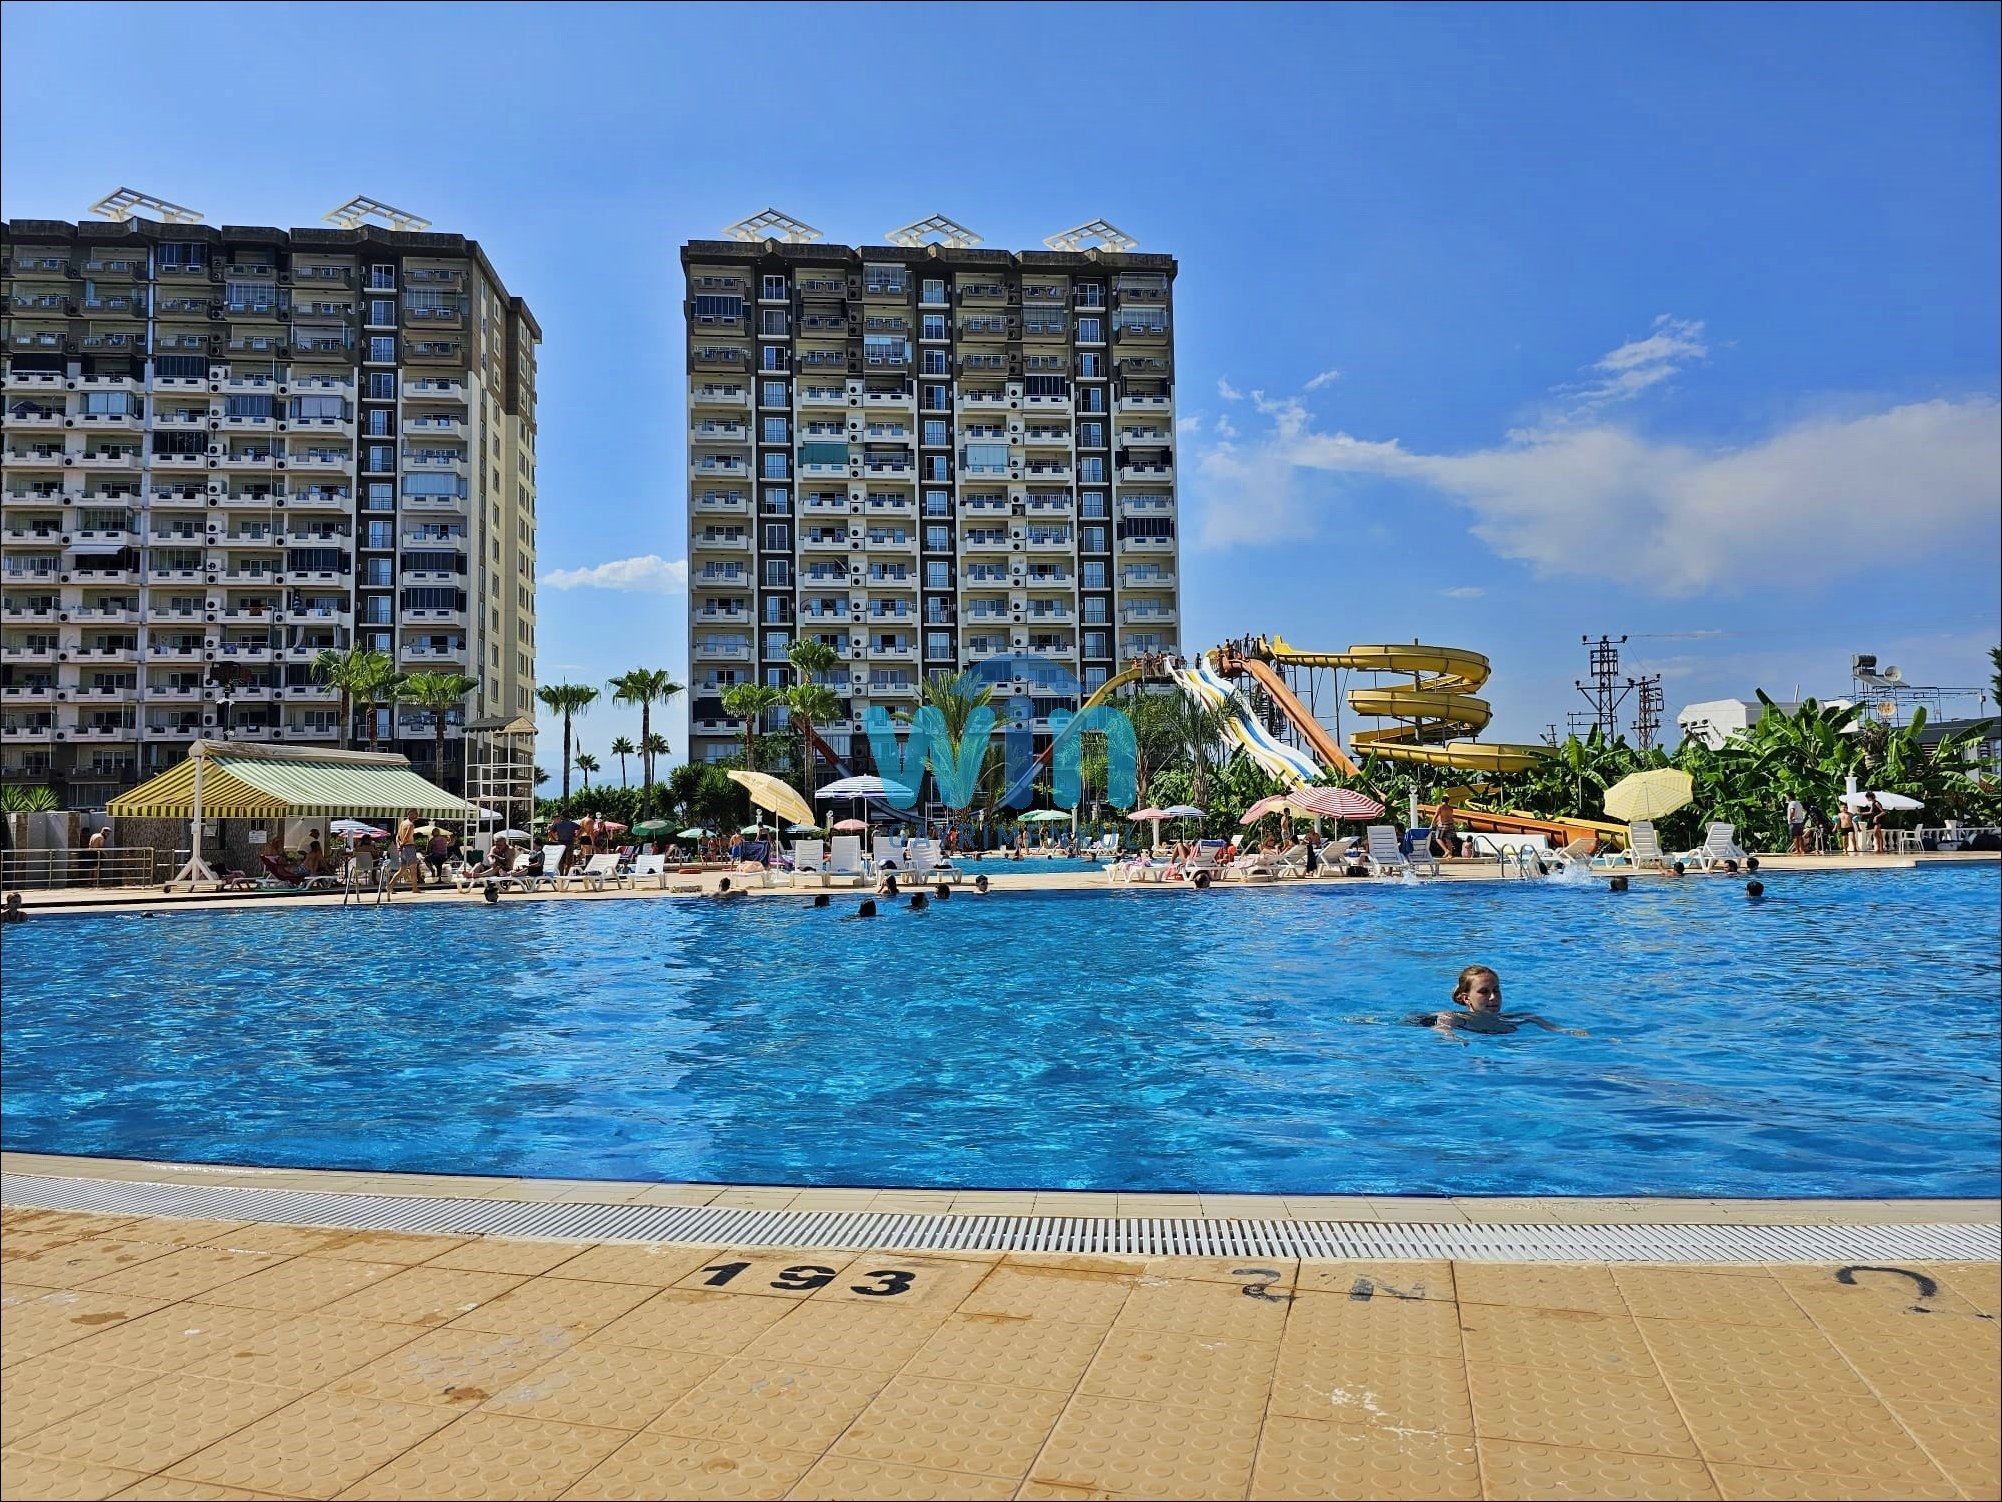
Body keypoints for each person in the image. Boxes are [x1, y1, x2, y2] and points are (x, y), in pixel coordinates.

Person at [1413, 965, 1586, 1042]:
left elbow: (1542, 1022)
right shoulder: (1454, 1017)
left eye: (1496, 990)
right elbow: (1442, 1027)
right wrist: (1454, 1038)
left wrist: (1567, 1031)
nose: (1493, 997)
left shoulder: (1514, 1018)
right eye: (1484, 992)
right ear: (1466, 998)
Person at [393, 809, 426, 893]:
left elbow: (397, 836)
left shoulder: (402, 823)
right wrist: (402, 844)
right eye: (415, 814)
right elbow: (407, 837)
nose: (417, 816)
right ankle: (414, 888)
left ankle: (390, 885)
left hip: (403, 848)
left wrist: (399, 846)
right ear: (410, 814)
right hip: (409, 847)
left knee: (402, 870)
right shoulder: (410, 825)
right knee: (413, 869)